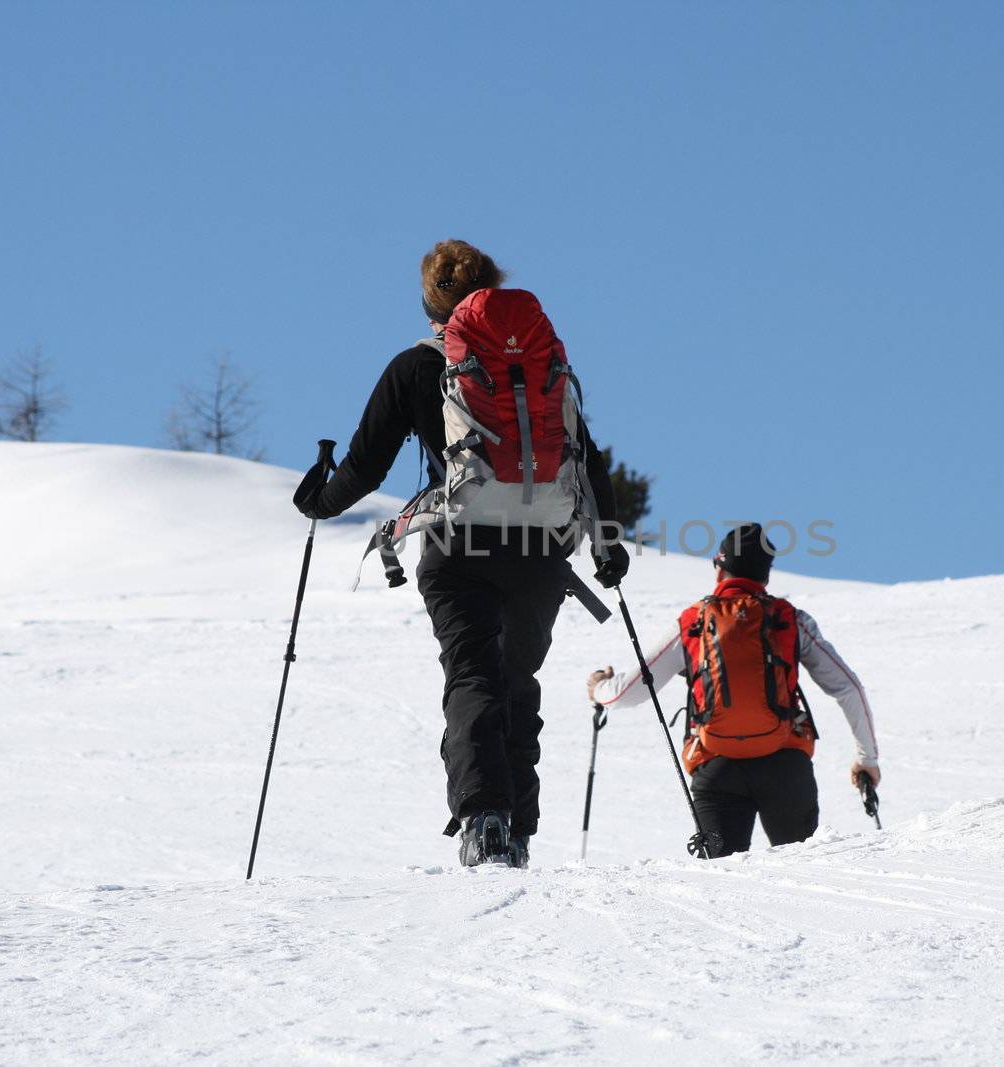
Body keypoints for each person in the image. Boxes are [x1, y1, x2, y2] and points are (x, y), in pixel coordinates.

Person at [299, 239, 629, 868]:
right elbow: (585, 453)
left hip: (458, 545)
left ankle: (484, 819)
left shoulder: (417, 367)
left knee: (472, 674)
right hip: (543, 549)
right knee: (517, 681)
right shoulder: (541, 362)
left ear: (431, 306)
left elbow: (365, 468)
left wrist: (319, 501)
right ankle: (521, 831)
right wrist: (606, 544)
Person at [587, 523, 880, 857]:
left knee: (719, 885)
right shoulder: (790, 619)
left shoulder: (694, 621)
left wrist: (599, 688)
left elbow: (627, 694)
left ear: (719, 567)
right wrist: (866, 759)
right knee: (804, 878)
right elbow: (849, 688)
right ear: (766, 576)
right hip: (785, 767)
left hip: (717, 768)